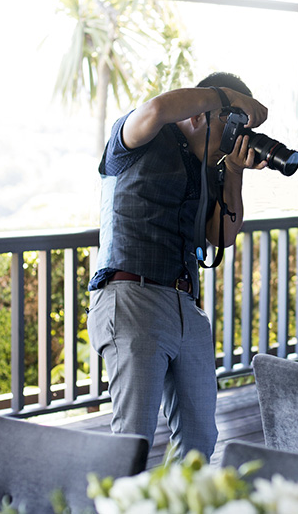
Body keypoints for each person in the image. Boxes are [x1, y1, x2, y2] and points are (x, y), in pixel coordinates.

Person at [86, 72, 268, 460]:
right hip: (132, 296)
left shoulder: (209, 170)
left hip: (185, 306)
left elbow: (221, 236)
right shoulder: (140, 137)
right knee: (131, 444)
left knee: (200, 442)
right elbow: (157, 108)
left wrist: (233, 173)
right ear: (200, 114)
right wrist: (227, 96)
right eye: (230, 124)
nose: (232, 138)